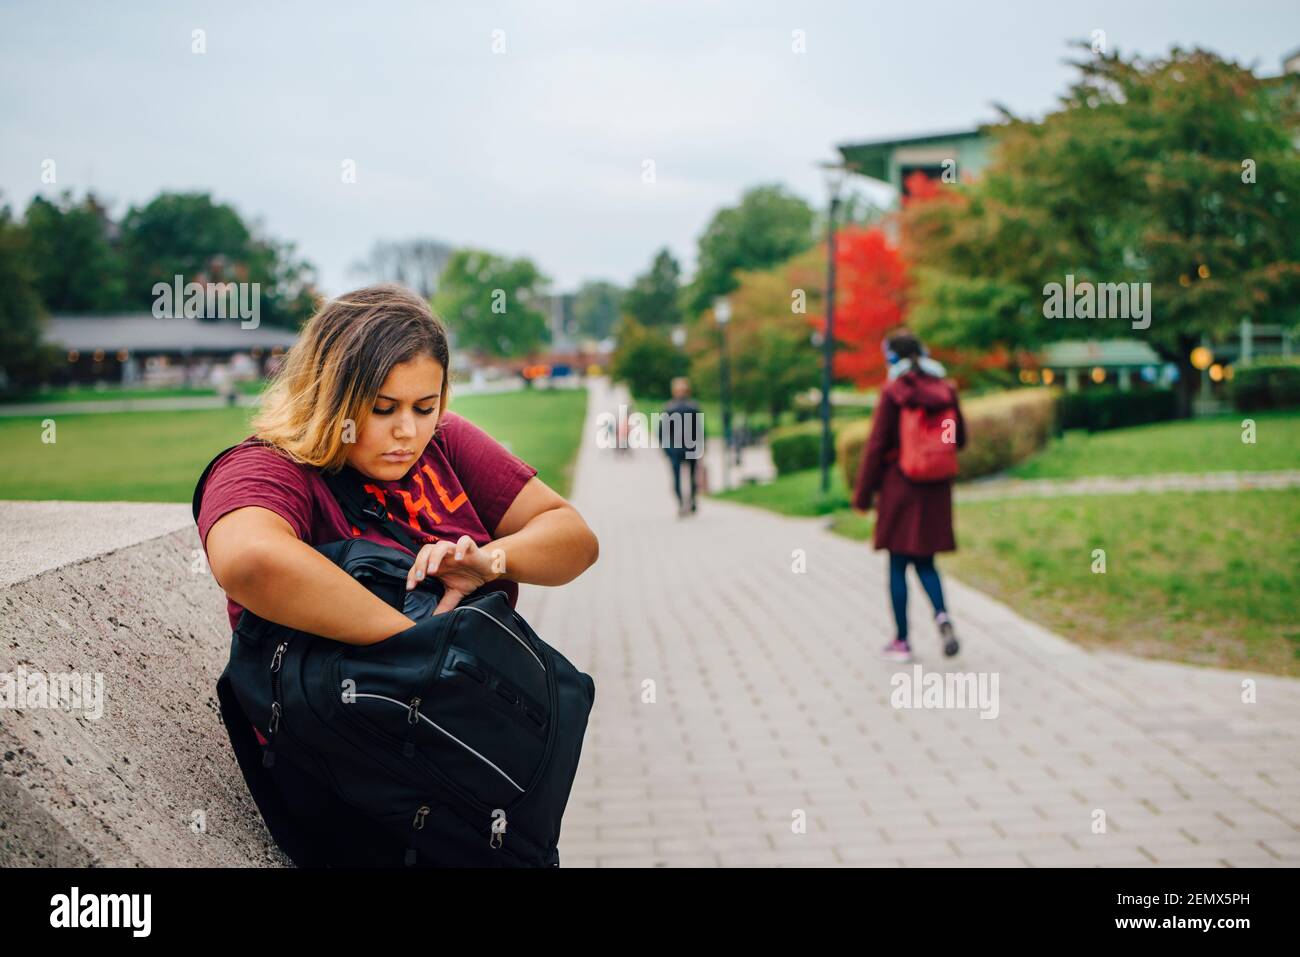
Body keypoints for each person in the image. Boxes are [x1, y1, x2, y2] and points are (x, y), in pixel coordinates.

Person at [196, 283, 600, 863]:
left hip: (473, 769)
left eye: (424, 405)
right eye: (381, 408)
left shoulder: (447, 442)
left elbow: (574, 538)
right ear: (327, 395)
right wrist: (422, 653)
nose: (407, 432)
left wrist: (488, 561)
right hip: (358, 796)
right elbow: (250, 561)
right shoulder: (266, 467)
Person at [852, 330, 966, 662]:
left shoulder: (893, 392)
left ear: (892, 357)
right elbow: (959, 439)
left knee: (898, 564)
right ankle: (942, 617)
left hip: (899, 487)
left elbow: (876, 447)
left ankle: (902, 640)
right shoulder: (946, 390)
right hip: (935, 490)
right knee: (927, 561)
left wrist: (862, 495)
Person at [659, 376, 704, 517]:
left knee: (677, 477)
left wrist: (665, 449)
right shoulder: (693, 407)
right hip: (690, 447)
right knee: (691, 476)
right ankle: (691, 501)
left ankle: (681, 504)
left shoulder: (668, 408)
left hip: (675, 448)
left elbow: (662, 432)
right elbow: (700, 430)